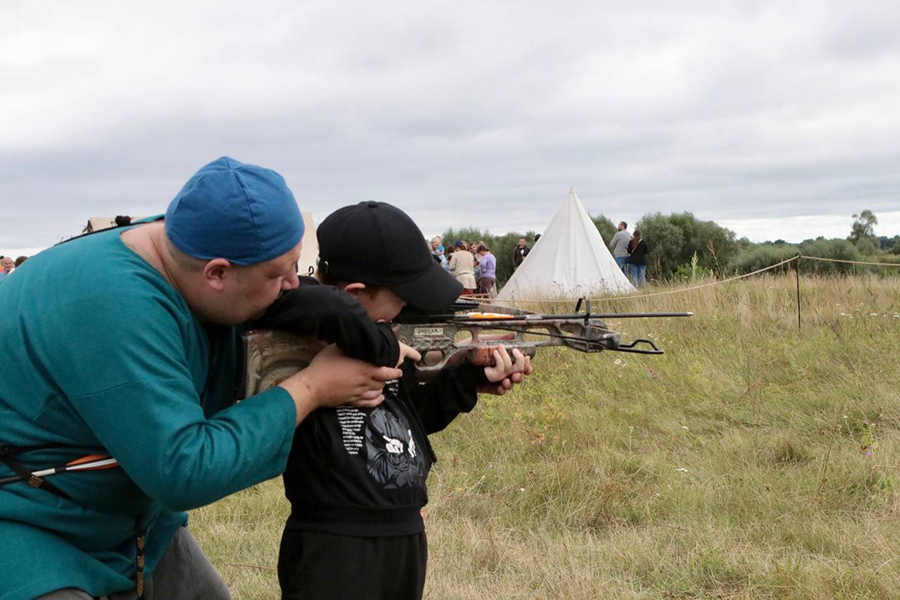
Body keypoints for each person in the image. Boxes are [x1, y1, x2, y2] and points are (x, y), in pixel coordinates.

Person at [0, 157, 401, 600]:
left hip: (127, 518)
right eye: (278, 274)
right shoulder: (114, 304)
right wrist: (310, 388)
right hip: (27, 520)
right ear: (216, 273)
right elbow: (183, 469)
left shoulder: (178, 247)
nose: (293, 285)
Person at [268, 201, 533, 600]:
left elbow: (407, 418)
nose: (408, 312)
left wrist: (465, 378)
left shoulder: (386, 337)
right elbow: (308, 299)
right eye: (402, 300)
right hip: (335, 546)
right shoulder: (307, 325)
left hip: (404, 535)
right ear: (355, 295)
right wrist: (380, 341)